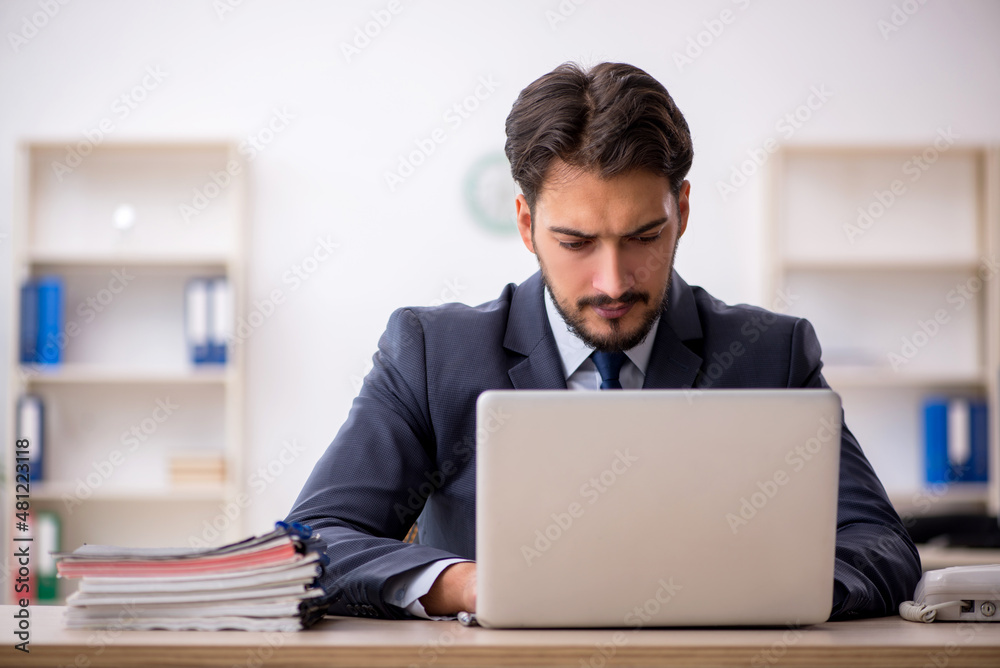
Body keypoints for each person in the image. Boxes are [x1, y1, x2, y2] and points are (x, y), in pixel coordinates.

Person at [286, 61, 922, 621]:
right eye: (577, 243)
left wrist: (782, 592)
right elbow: (312, 541)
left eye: (644, 237)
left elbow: (881, 543)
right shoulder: (431, 353)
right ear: (527, 224)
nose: (613, 282)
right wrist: (471, 586)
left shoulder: (768, 354)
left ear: (683, 213)